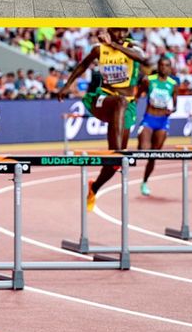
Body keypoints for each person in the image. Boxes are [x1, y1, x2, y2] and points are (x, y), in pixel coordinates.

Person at [55, 29, 148, 211]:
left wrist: (114, 45)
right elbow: (82, 65)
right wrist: (67, 85)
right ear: (108, 31)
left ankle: (94, 187)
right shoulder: (99, 50)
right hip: (103, 99)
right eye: (115, 31)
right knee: (119, 104)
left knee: (113, 164)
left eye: (123, 31)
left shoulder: (133, 47)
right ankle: (117, 153)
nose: (120, 34)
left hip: (126, 107)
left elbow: (142, 59)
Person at [135, 56, 180, 197]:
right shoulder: (149, 80)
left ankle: (144, 182)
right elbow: (138, 95)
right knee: (143, 150)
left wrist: (171, 110)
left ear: (170, 67)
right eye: (161, 65)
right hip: (149, 118)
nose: (163, 68)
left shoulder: (173, 84)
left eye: (166, 65)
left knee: (153, 155)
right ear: (158, 66)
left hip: (162, 122)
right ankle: (140, 141)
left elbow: (175, 106)